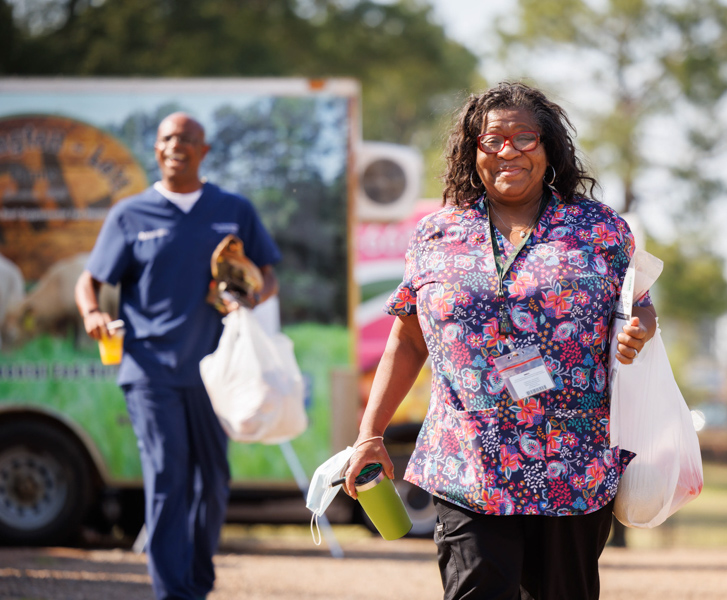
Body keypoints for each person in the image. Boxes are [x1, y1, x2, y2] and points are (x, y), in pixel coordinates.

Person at [343, 82, 657, 600]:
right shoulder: (437, 233)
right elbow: (408, 340)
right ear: (473, 151)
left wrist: (640, 327)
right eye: (492, 140)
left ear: (549, 147)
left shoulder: (599, 229)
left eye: (524, 138)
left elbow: (638, 305)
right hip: (468, 464)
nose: (507, 150)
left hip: (572, 466)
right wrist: (369, 434)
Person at [75, 112, 281, 600]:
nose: (177, 146)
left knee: (212, 481)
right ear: (156, 149)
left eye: (188, 139)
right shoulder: (130, 214)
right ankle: (173, 592)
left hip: (216, 374)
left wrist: (253, 294)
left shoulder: (232, 209)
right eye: (168, 138)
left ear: (204, 151)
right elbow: (92, 281)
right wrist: (91, 313)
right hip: (149, 371)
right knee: (167, 476)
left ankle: (197, 583)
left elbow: (268, 274)